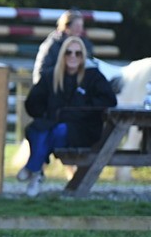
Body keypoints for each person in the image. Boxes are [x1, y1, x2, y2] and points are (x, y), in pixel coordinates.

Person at [20, 35, 116, 196]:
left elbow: (109, 100)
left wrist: (85, 107)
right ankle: (36, 172)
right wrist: (44, 113)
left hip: (82, 128)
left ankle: (33, 167)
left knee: (58, 131)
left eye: (78, 53)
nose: (73, 57)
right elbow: (33, 102)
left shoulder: (93, 76)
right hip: (52, 121)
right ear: (62, 55)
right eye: (69, 53)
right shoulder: (51, 76)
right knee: (37, 129)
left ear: (83, 56)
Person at [32, 10, 95, 85]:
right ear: (67, 26)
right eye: (77, 26)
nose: (80, 29)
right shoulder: (51, 44)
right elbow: (41, 71)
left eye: (81, 26)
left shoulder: (85, 44)